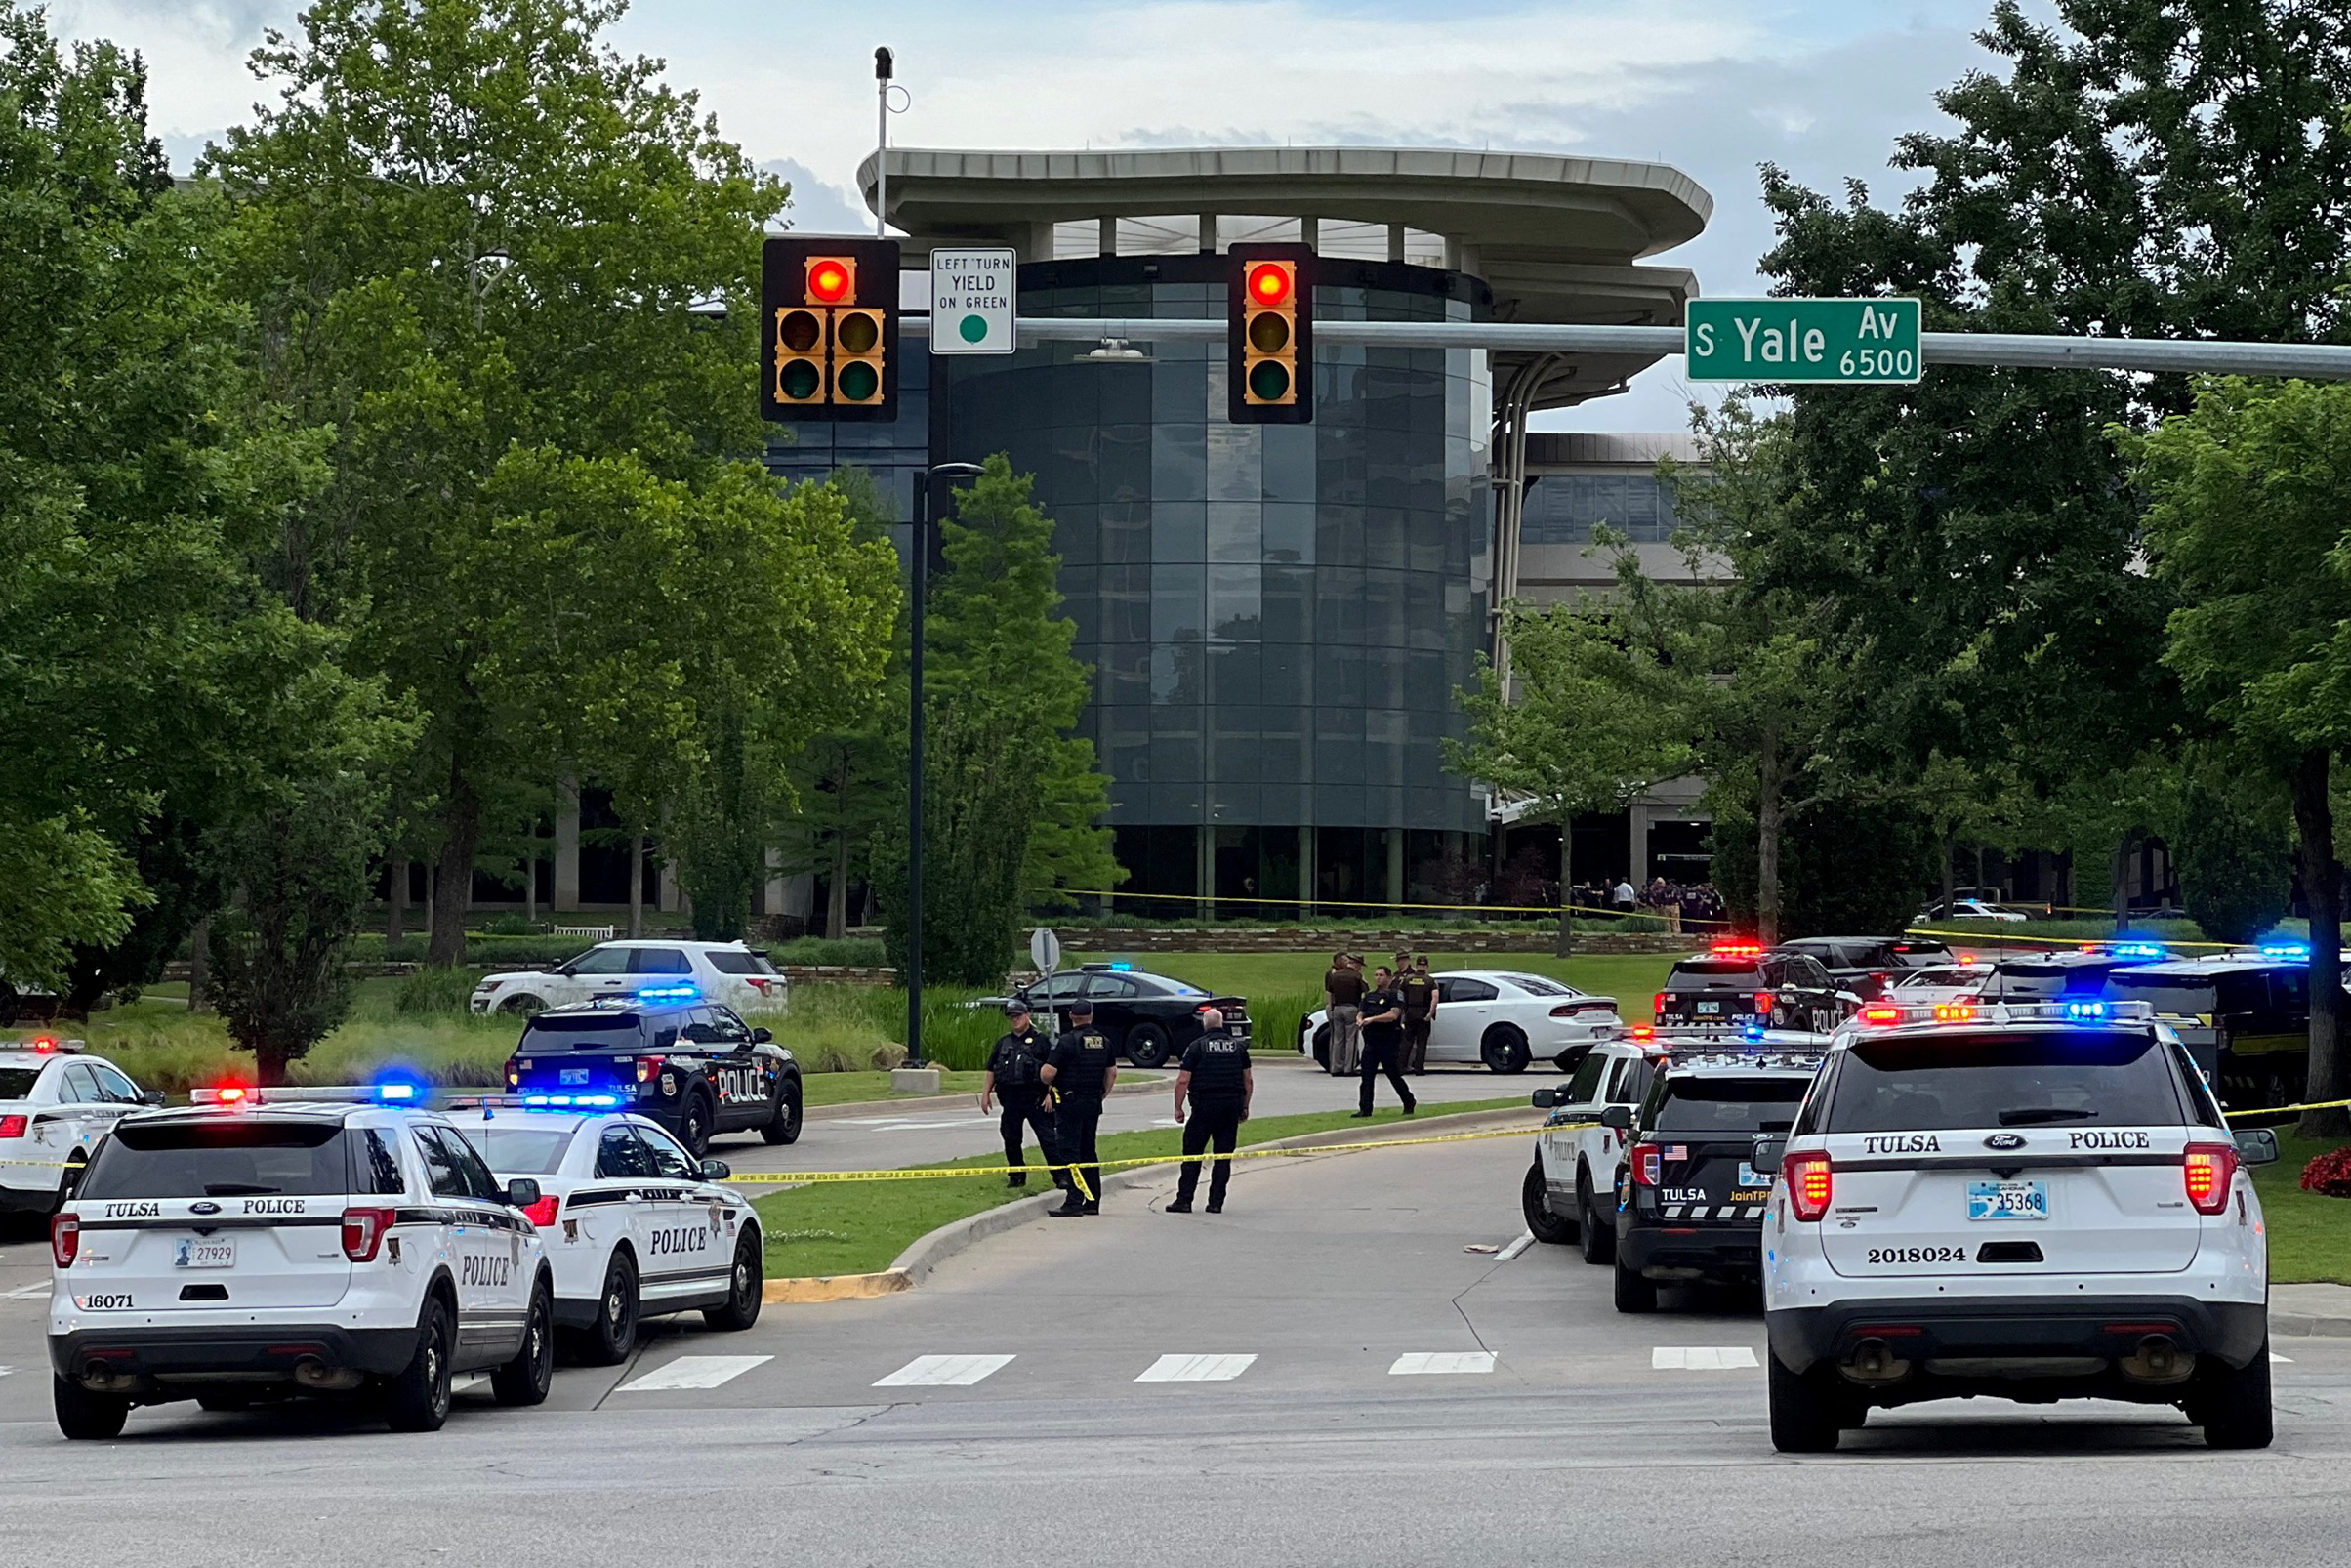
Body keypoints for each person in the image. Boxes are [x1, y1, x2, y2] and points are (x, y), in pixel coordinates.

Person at [1168, 1006, 1252, 1215]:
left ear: (1204, 1024)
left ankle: (1184, 1200)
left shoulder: (1196, 1047)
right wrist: (1244, 1106)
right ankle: (1216, 1202)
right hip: (1230, 1106)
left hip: (1203, 1106)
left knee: (1192, 1154)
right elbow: (1248, 1080)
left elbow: (1183, 1080)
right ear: (1222, 1024)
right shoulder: (1238, 1048)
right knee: (1223, 1156)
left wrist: (1178, 1108)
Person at [1042, 998, 1118, 1216]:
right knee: (1088, 1150)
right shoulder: (1104, 1041)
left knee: (1070, 1151)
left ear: (1071, 1016)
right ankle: (1092, 1201)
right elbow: (1111, 1073)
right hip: (1092, 1102)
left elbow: (1048, 1073)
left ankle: (1074, 1200)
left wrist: (1045, 1079)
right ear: (1091, 1015)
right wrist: (1102, 1095)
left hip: (1070, 1103)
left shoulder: (1066, 1042)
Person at [980, 1000, 1063, 1193]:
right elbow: (992, 1069)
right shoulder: (1004, 1042)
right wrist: (985, 1095)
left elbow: (1054, 1070)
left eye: (1018, 1016)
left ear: (1027, 1016)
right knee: (1011, 1139)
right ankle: (1016, 1177)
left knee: (1048, 1139)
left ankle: (1061, 1176)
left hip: (1036, 1099)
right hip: (1011, 1101)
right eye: (1012, 1017)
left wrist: (1051, 1094)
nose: (1015, 1020)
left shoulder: (1041, 1041)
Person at [1351, 966, 1417, 1118]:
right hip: (1371, 1041)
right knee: (1366, 1076)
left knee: (1393, 1074)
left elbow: (1393, 1015)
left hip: (1388, 1040)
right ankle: (1365, 1109)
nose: (1377, 978)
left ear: (1389, 978)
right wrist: (1360, 1020)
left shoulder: (1395, 995)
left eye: (1381, 975)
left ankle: (1408, 1101)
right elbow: (1361, 1012)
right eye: (1376, 975)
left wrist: (1373, 1019)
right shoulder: (1369, 996)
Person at [1323, 950, 1366, 1077]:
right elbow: (1365, 991)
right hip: (1351, 1008)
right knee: (1350, 1040)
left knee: (1337, 1039)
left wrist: (1331, 1008)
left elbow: (1330, 993)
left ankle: (1336, 1067)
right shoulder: (1356, 976)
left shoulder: (1335, 975)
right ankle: (1349, 1068)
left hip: (1337, 1008)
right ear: (1357, 965)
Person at [1397, 955, 1438, 1075]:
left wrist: (1402, 1011)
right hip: (1423, 1013)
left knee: (1406, 1042)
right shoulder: (1430, 980)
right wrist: (1431, 1013)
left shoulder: (1407, 979)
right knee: (1421, 1043)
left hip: (1410, 1013)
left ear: (1416, 966)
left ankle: (1401, 1067)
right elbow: (1435, 998)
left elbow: (1400, 995)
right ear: (1427, 966)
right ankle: (1418, 1068)